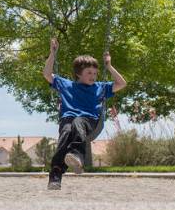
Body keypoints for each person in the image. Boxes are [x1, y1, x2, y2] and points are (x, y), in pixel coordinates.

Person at [42, 38, 127, 190]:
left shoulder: (101, 87)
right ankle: (56, 174)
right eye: (89, 72)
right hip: (67, 119)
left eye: (95, 72)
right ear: (78, 74)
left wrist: (109, 66)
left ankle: (77, 154)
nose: (93, 75)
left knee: (78, 122)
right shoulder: (66, 84)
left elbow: (122, 84)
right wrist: (52, 54)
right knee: (67, 131)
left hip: (90, 122)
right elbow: (47, 74)